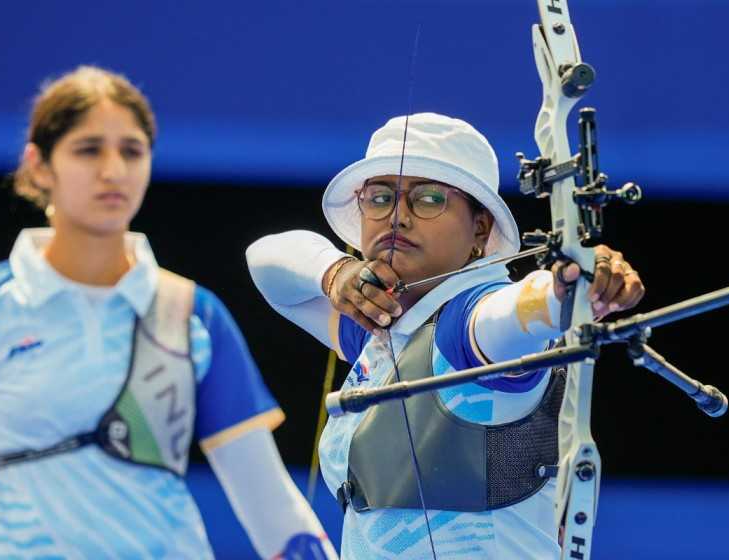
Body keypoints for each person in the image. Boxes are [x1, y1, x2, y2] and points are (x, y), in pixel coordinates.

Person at [0, 66, 335, 559]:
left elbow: (272, 507)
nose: (113, 170)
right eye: (88, 149)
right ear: (38, 165)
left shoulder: (193, 315)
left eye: (132, 150)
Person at [246, 112, 644, 559]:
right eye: (379, 198)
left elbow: (513, 314)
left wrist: (568, 288)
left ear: (480, 228)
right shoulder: (378, 328)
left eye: (429, 199)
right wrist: (335, 272)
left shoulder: (469, 326)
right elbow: (265, 259)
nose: (398, 217)